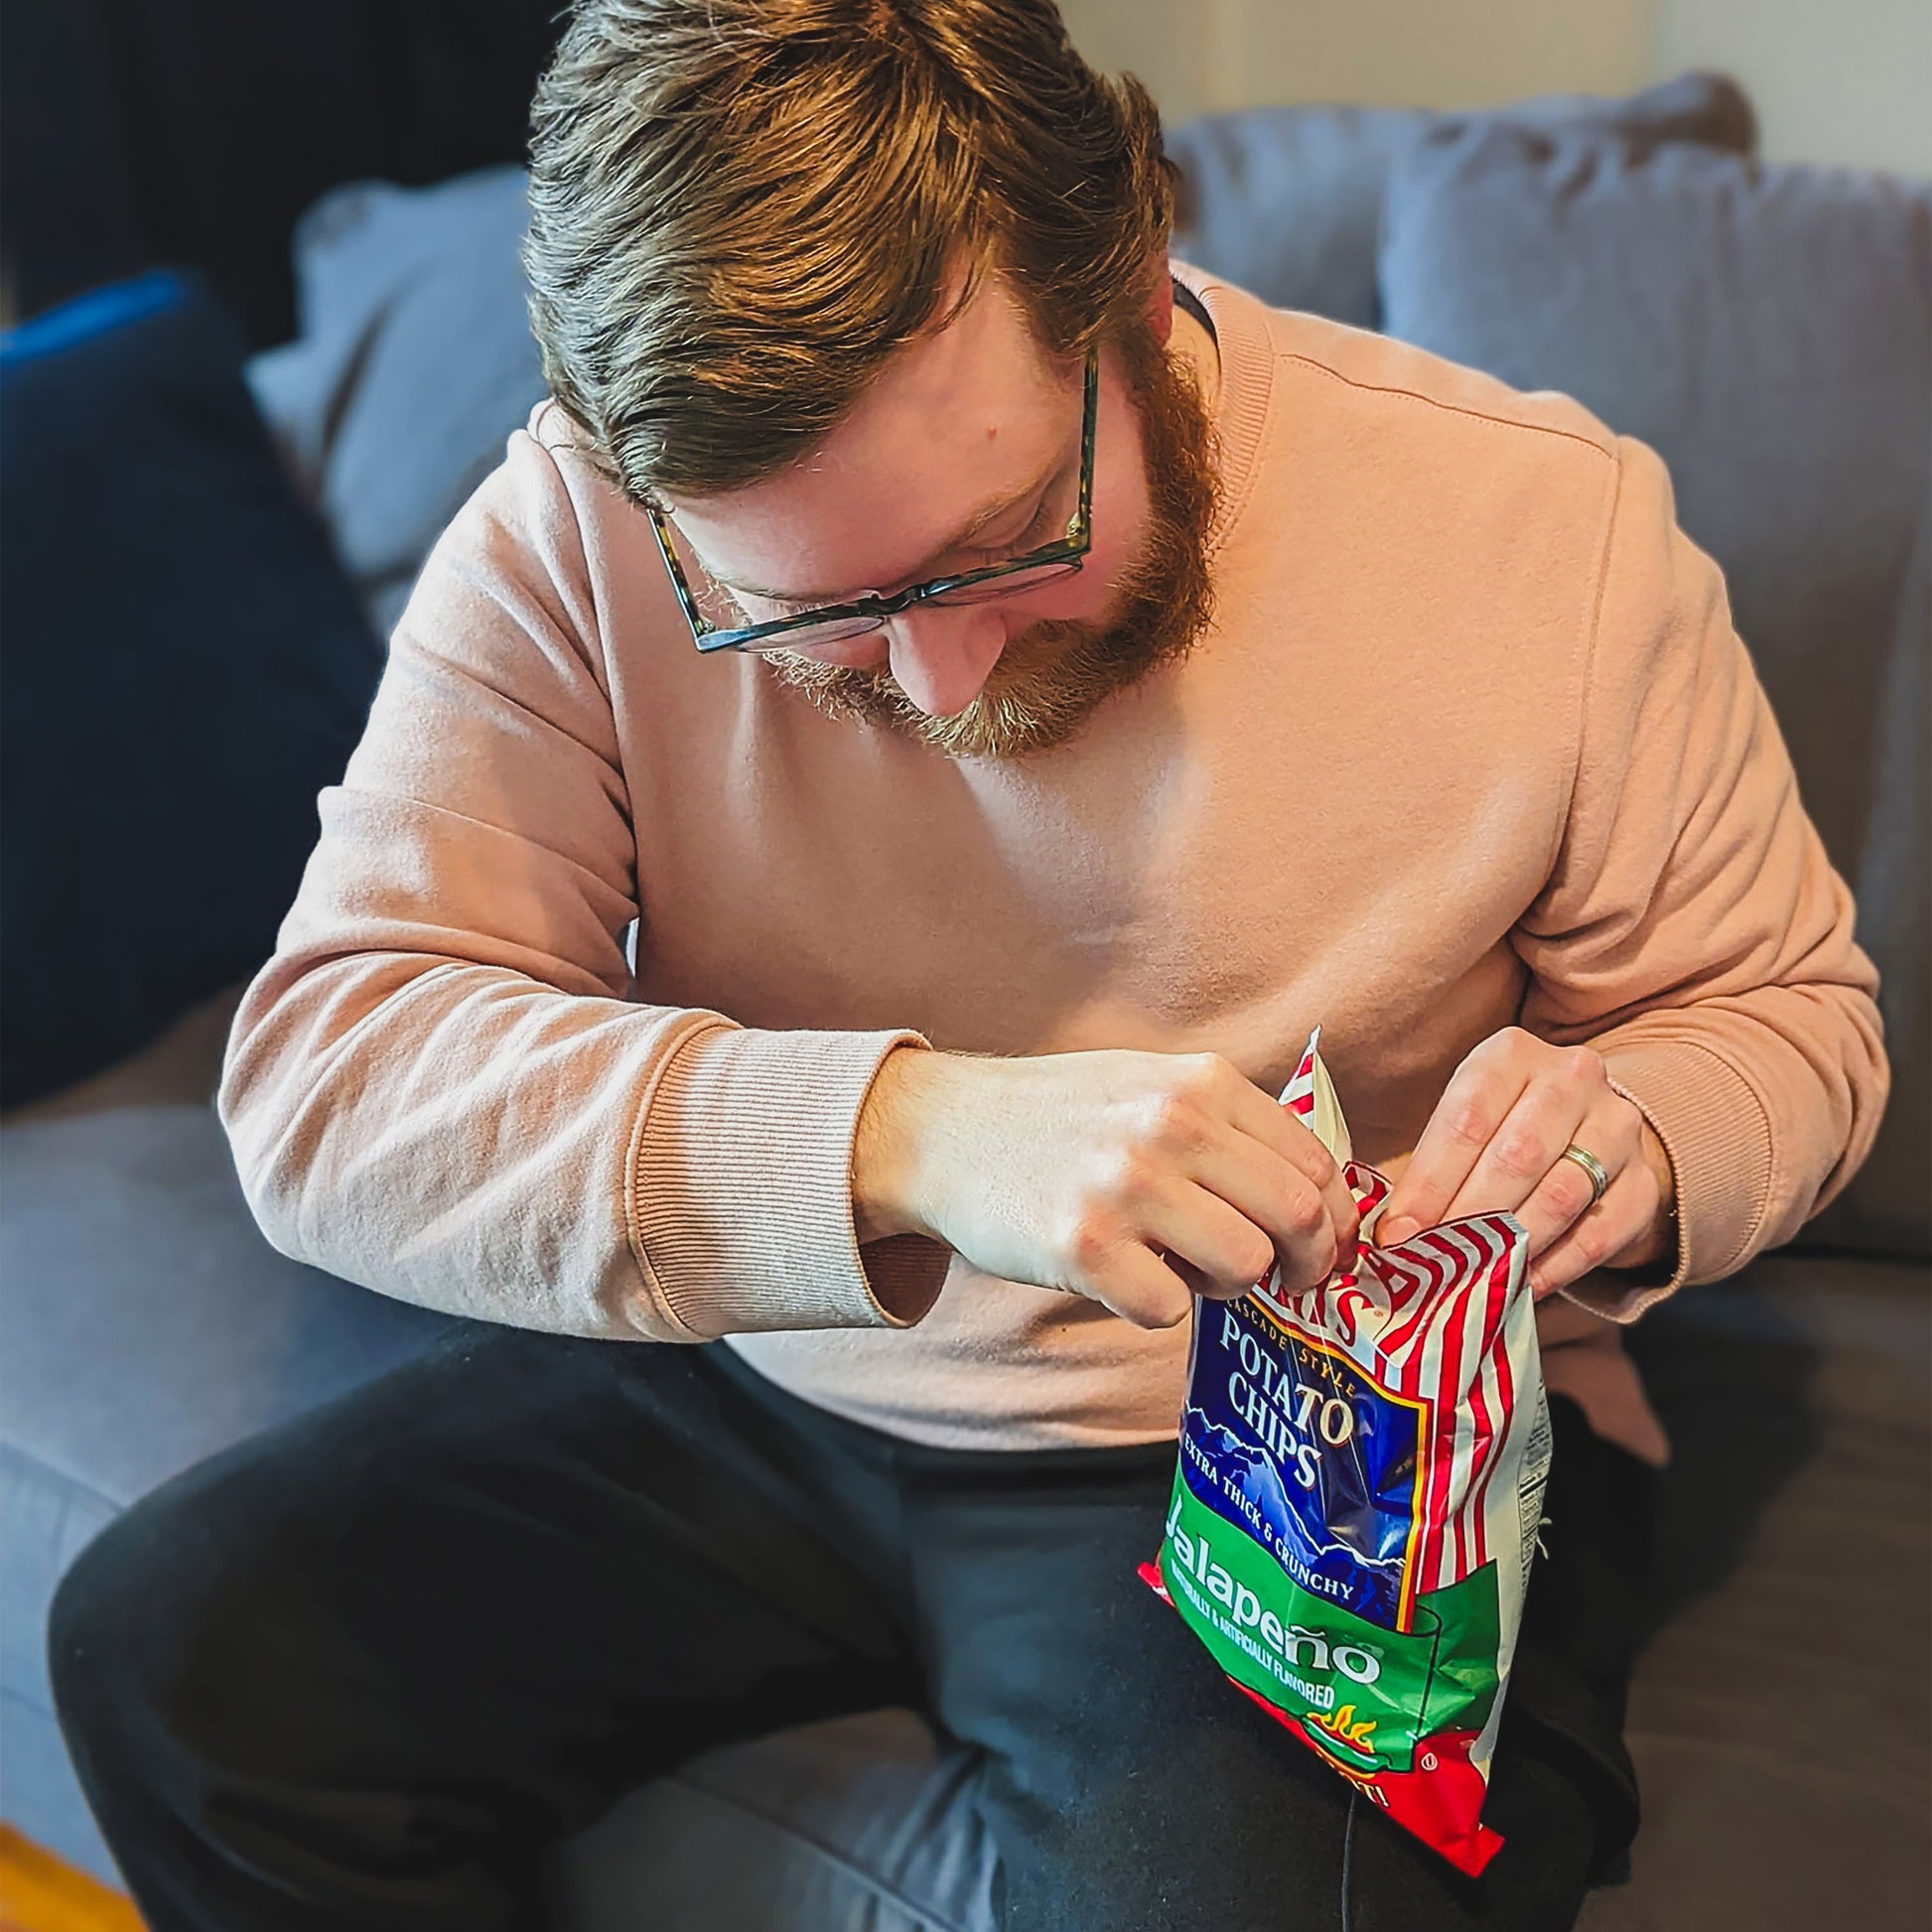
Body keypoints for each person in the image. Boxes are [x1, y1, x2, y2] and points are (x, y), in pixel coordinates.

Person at [51, 2, 1886, 1927]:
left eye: (1007, 540)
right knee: (177, 1653)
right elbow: (337, 1083)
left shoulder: (1541, 535)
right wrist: (908, 1135)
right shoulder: (573, 536)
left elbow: (1785, 1023)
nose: (942, 683)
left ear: (1138, 277)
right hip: (772, 1367)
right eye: (806, 617)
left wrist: (1637, 1136)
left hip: (1319, 1443)